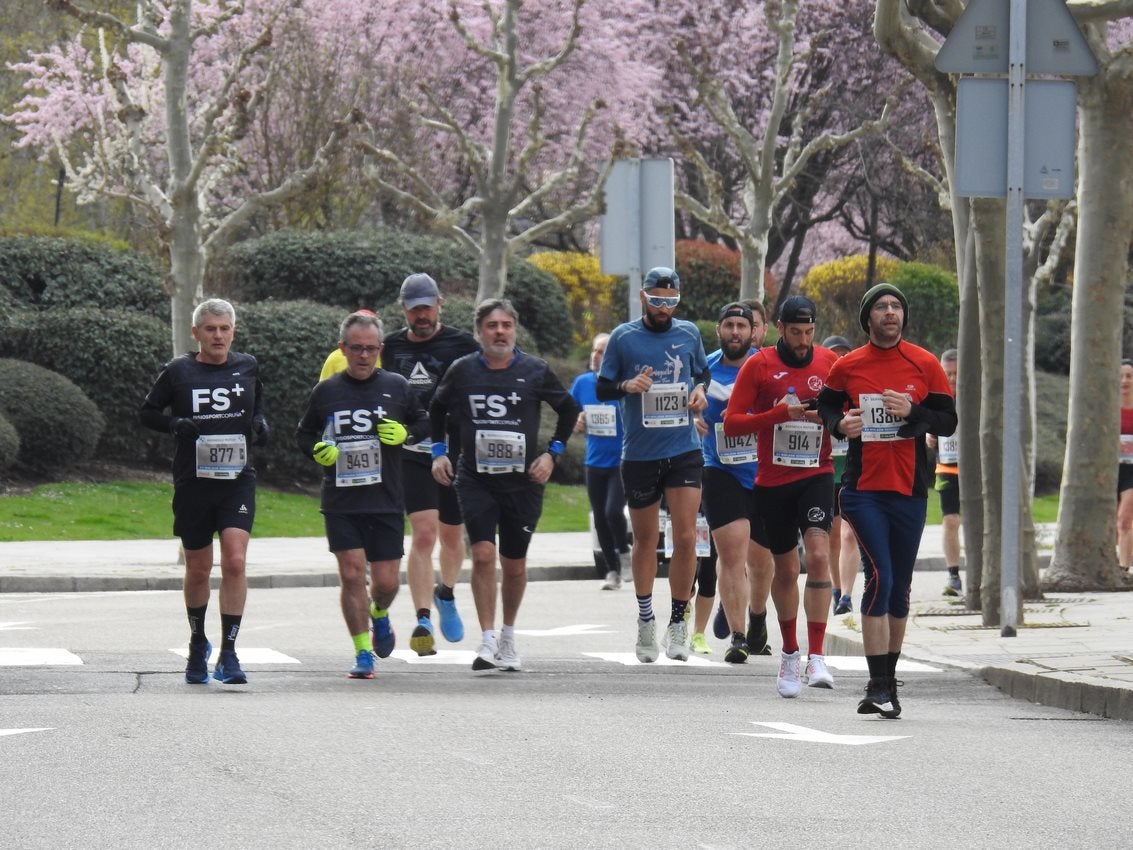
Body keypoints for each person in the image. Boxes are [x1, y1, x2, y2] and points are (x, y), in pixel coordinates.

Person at [817, 282, 956, 718]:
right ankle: (878, 685)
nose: (891, 313)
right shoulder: (849, 366)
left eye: (896, 306)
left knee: (900, 587)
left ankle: (887, 681)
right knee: (879, 576)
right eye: (882, 307)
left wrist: (912, 412)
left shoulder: (925, 363)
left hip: (910, 489)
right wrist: (841, 426)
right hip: (862, 490)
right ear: (868, 318)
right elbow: (825, 407)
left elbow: (948, 422)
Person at [429, 299, 579, 672]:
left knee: (514, 564)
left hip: (523, 482)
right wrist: (438, 452)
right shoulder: (463, 371)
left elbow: (569, 409)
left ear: (514, 330)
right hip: (476, 478)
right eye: (492, 325)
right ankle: (487, 638)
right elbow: (435, 409)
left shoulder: (535, 370)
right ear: (479, 332)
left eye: (506, 325)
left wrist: (551, 455)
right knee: (481, 554)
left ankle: (508, 636)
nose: (500, 332)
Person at [139, 298, 268, 686]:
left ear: (233, 331)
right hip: (194, 482)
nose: (218, 335)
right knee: (198, 567)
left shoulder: (247, 366)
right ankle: (198, 641)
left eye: (224, 328)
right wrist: (175, 424)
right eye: (210, 329)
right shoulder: (179, 371)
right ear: (196, 333)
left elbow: (257, 405)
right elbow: (147, 413)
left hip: (236, 479)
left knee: (235, 561)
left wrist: (261, 423)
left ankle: (229, 652)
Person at [296, 311, 429, 678]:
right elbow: (304, 434)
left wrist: (406, 434)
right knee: (352, 574)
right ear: (343, 348)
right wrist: (317, 451)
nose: (364, 356)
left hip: (385, 499)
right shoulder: (327, 391)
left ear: (380, 350)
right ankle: (362, 652)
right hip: (341, 500)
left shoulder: (398, 386)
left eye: (371, 349)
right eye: (357, 348)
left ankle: (380, 614)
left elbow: (423, 420)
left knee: (386, 583)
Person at [724, 295, 839, 697]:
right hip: (773, 482)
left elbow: (842, 414)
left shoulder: (828, 363)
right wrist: (779, 414)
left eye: (809, 332)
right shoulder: (760, 365)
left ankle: (818, 655)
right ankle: (790, 654)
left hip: (817, 473)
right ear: (779, 328)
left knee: (821, 555)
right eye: (796, 332)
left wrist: (824, 417)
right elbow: (733, 422)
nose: (804, 340)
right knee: (787, 571)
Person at [596, 266, 710, 663]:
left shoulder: (689, 333)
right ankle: (646, 620)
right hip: (640, 453)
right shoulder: (624, 338)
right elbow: (601, 386)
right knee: (645, 540)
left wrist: (699, 391)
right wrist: (627, 386)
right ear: (643, 297)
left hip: (683, 449)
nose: (664, 308)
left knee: (684, 537)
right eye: (657, 300)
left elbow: (703, 373)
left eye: (671, 301)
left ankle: (678, 621)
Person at [381, 274, 480, 655]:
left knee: (453, 538)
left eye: (427, 306)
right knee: (423, 534)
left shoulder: (461, 344)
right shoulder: (389, 347)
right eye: (413, 308)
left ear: (439, 303)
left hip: (454, 452)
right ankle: (422, 619)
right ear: (403, 308)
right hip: (410, 451)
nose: (421, 315)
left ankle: (447, 593)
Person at [693, 302, 774, 663]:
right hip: (720, 468)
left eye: (743, 325)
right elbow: (683, 406)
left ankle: (758, 617)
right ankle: (739, 636)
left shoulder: (769, 366)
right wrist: (691, 421)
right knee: (731, 553)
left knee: (761, 558)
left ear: (754, 331)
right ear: (719, 330)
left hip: (764, 472)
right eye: (730, 326)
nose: (737, 332)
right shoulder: (705, 369)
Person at [570, 332, 631, 590]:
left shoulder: (623, 385)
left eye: (604, 352)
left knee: (612, 511)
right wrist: (577, 421)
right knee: (599, 518)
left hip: (622, 460)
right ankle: (611, 572)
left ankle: (625, 552)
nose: (597, 356)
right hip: (594, 461)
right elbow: (570, 416)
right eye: (595, 351)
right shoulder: (582, 383)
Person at [822, 335, 861, 616]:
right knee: (833, 536)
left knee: (849, 534)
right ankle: (836, 588)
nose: (839, 361)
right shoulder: (823, 395)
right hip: (826, 472)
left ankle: (846, 596)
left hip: (853, 470)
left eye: (844, 355)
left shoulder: (859, 388)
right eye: (833, 355)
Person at [928, 349, 963, 596]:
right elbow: (926, 428)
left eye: (956, 374)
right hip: (947, 466)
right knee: (950, 520)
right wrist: (929, 436)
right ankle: (953, 575)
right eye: (947, 373)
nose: (951, 379)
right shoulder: (937, 399)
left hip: (973, 469)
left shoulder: (975, 397)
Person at [1118, 358, 1133, 572]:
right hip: (1109, 469)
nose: (1124, 380)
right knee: (1114, 523)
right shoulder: (1107, 408)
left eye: (1129, 376)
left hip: (1132, 470)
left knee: (1124, 518)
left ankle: (1123, 569)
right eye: (1120, 376)